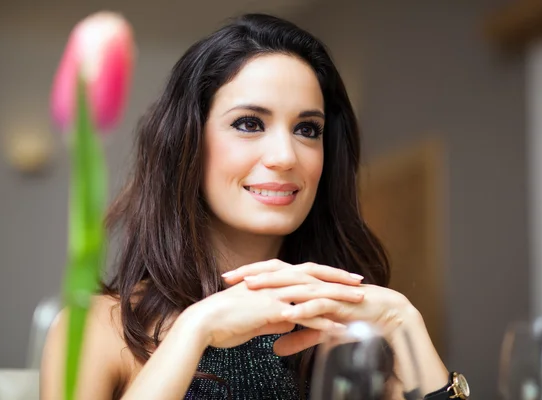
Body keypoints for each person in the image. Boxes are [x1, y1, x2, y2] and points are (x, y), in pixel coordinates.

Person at [41, 13, 451, 400]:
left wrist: (404, 323)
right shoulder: (100, 328)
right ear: (188, 143)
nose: (285, 156)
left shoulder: (351, 334)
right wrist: (194, 331)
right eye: (250, 123)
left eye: (307, 129)